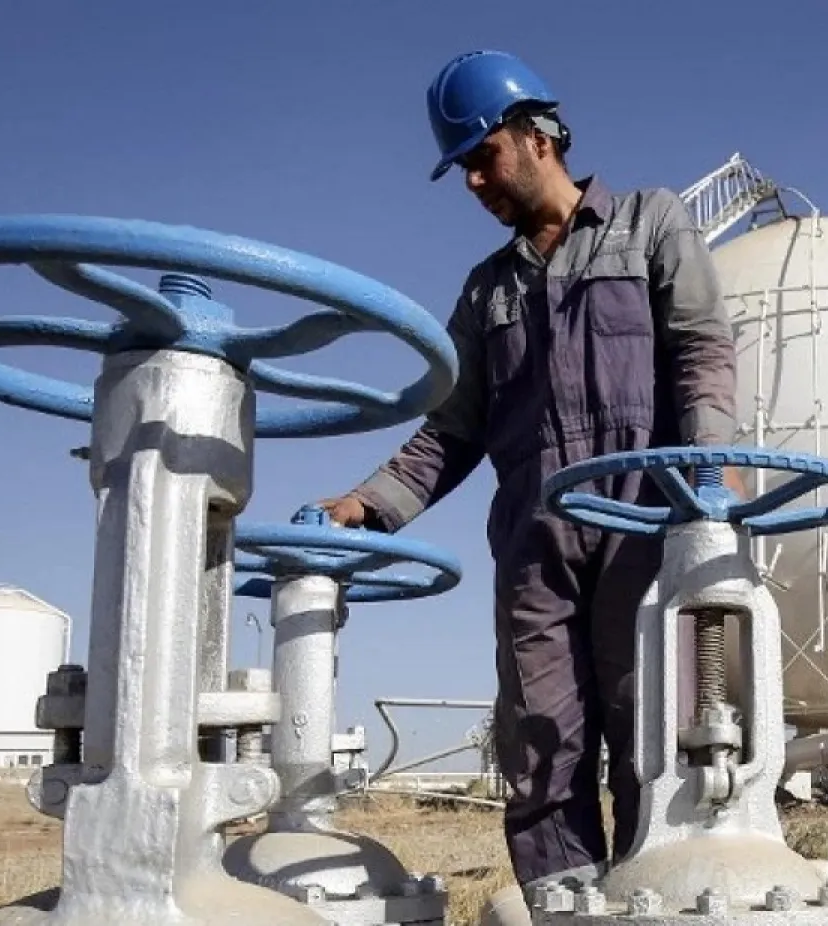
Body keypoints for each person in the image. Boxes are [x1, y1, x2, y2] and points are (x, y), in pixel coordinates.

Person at [314, 49, 742, 892]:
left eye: (482, 157)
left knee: (654, 736)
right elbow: (452, 429)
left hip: (646, 524)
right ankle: (562, 913)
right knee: (543, 746)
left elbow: (701, 349)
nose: (475, 182)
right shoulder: (486, 294)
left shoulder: (650, 224)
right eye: (463, 167)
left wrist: (708, 480)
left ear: (537, 136)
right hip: (536, 546)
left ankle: (658, 899)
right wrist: (367, 503)